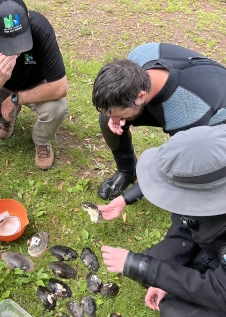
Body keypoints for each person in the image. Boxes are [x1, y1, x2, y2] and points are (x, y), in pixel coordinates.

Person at [101, 125, 226, 317]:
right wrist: (155, 273)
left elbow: (220, 291)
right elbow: (184, 223)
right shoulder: (205, 172)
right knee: (151, 261)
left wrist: (150, 270)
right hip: (212, 245)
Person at [92, 43, 226, 218]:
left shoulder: (188, 112)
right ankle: (126, 171)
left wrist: (126, 199)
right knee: (107, 119)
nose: (114, 119)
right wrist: (115, 116)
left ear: (140, 97)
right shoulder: (139, 56)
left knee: (186, 162)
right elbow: (115, 112)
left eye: (118, 113)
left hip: (213, 115)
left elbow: (178, 165)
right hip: (175, 96)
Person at [0, 0, 68, 170]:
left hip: (37, 84)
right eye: (7, 42)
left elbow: (60, 87)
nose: (15, 48)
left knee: (58, 108)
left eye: (20, 39)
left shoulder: (40, 28)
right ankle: (9, 117)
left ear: (27, 18)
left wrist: (16, 98)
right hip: (2, 86)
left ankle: (42, 140)